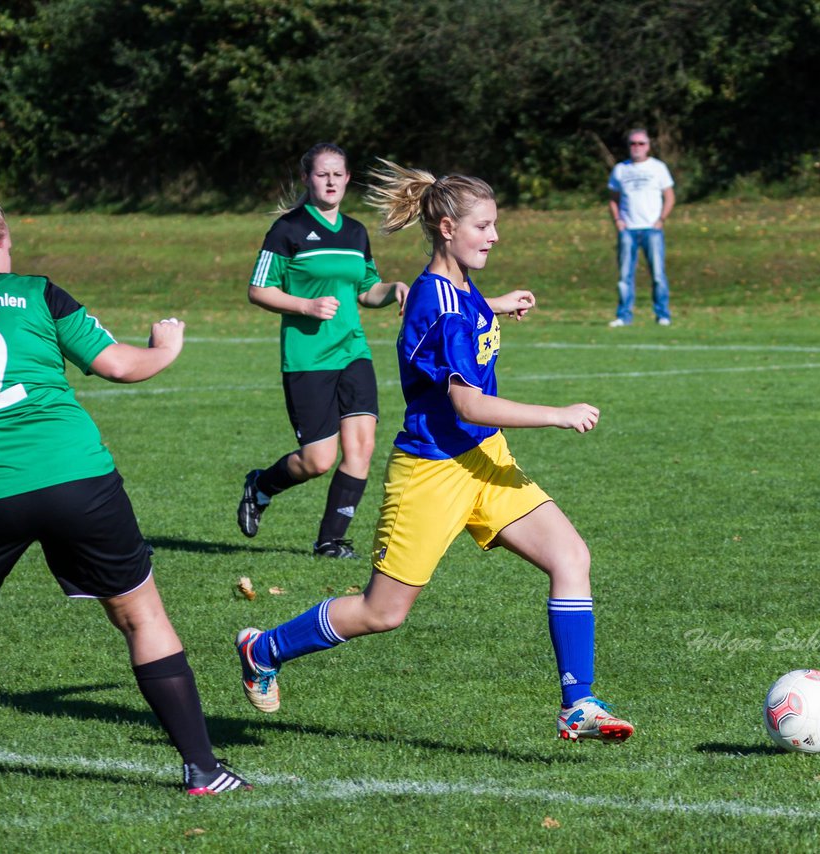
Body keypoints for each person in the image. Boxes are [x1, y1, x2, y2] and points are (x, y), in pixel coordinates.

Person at [0, 195, 251, 800]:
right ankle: (201, 769)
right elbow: (117, 365)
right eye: (8, 244)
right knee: (141, 616)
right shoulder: (36, 292)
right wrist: (165, 347)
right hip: (75, 478)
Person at [232, 162, 635, 744]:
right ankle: (264, 646)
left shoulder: (459, 289)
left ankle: (579, 704)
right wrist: (557, 414)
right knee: (382, 612)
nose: (495, 236)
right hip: (433, 471)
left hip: (483, 460)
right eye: (484, 226)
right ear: (447, 228)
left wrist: (494, 305)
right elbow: (468, 405)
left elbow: (454, 320)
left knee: (571, 556)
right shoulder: (438, 301)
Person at [237, 143, 408, 559]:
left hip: (353, 351)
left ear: (347, 179)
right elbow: (258, 289)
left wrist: (395, 291)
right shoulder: (288, 230)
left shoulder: (355, 232)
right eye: (321, 174)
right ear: (307, 179)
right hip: (307, 358)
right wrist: (305, 306)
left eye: (338, 174)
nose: (330, 181)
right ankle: (260, 486)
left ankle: (331, 540)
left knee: (362, 447)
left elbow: (367, 290)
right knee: (317, 461)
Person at [607, 127, 675, 327]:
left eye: (641, 143)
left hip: (652, 229)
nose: (637, 147)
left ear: (648, 146)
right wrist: (618, 220)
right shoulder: (621, 169)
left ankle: (662, 314)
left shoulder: (658, 168)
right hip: (628, 229)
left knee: (657, 274)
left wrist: (661, 219)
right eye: (633, 143)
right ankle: (623, 315)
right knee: (625, 276)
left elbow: (669, 196)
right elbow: (613, 199)